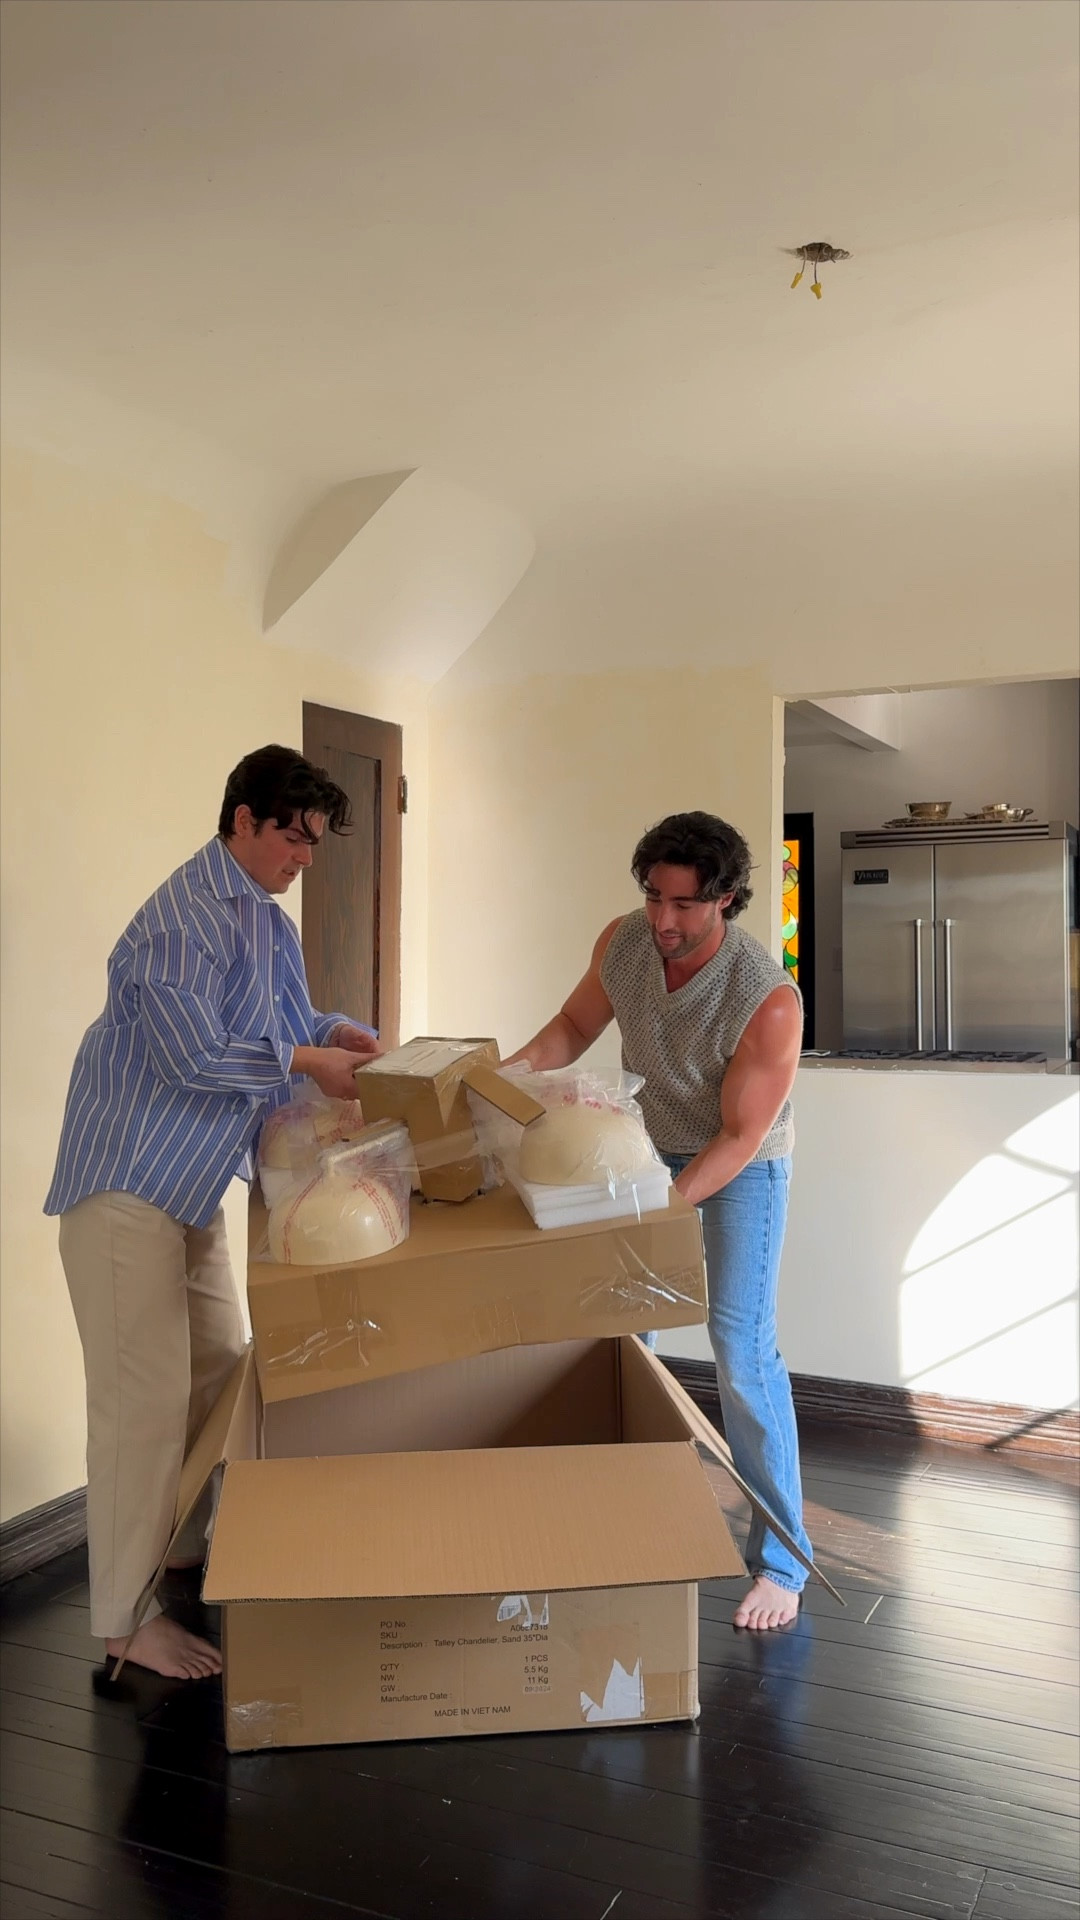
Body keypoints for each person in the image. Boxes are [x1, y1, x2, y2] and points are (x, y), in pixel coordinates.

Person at [45, 745, 380, 1679]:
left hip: (189, 1185)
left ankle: (183, 1551)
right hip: (124, 1184)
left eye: (315, 842)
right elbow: (196, 1056)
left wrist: (335, 1034)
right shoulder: (179, 920)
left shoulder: (264, 920)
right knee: (138, 1409)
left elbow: (279, 1022)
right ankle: (121, 1626)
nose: (305, 857)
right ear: (243, 819)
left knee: (222, 1373)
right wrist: (311, 1063)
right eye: (294, 837)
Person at [507, 810, 810, 1630]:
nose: (664, 921)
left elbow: (741, 1135)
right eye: (653, 898)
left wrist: (660, 1215)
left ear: (728, 900)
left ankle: (784, 1562)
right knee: (623, 1336)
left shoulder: (767, 1000)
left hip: (740, 1163)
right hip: (643, 1147)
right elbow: (572, 1029)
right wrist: (503, 1077)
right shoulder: (626, 943)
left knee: (741, 1350)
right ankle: (624, 1522)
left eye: (684, 905)